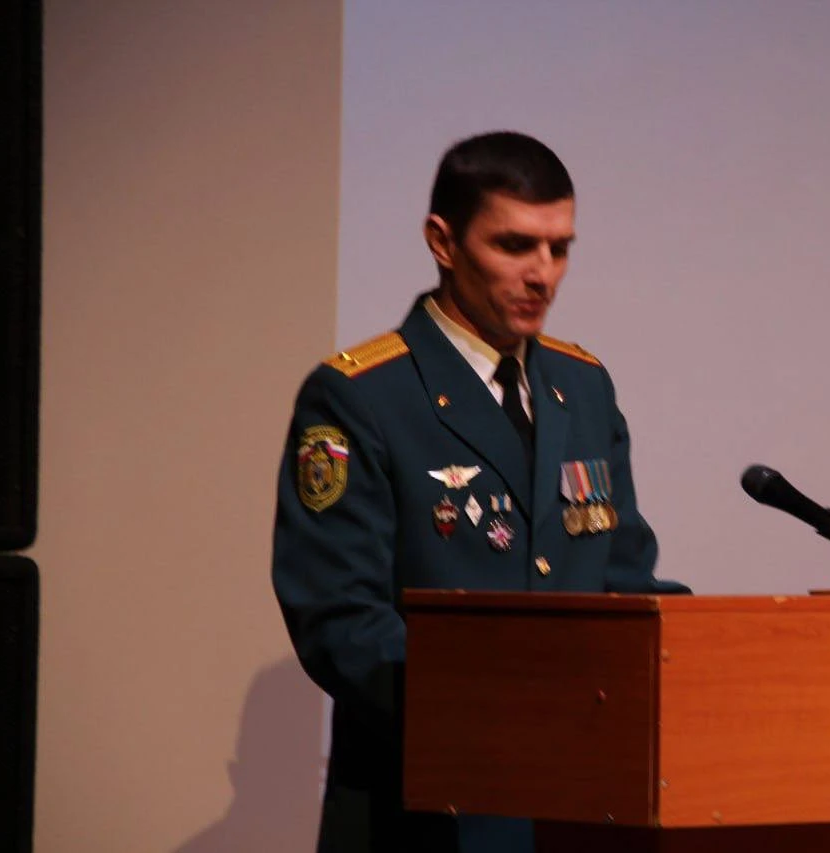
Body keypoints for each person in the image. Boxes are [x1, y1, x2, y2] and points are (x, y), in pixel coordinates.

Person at [272, 131, 687, 853]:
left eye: (559, 249)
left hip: (579, 808)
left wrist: (698, 654)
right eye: (515, 245)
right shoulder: (361, 395)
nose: (543, 274)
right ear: (443, 241)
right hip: (428, 813)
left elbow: (622, 578)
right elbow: (340, 620)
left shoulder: (582, 385)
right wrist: (510, 705)